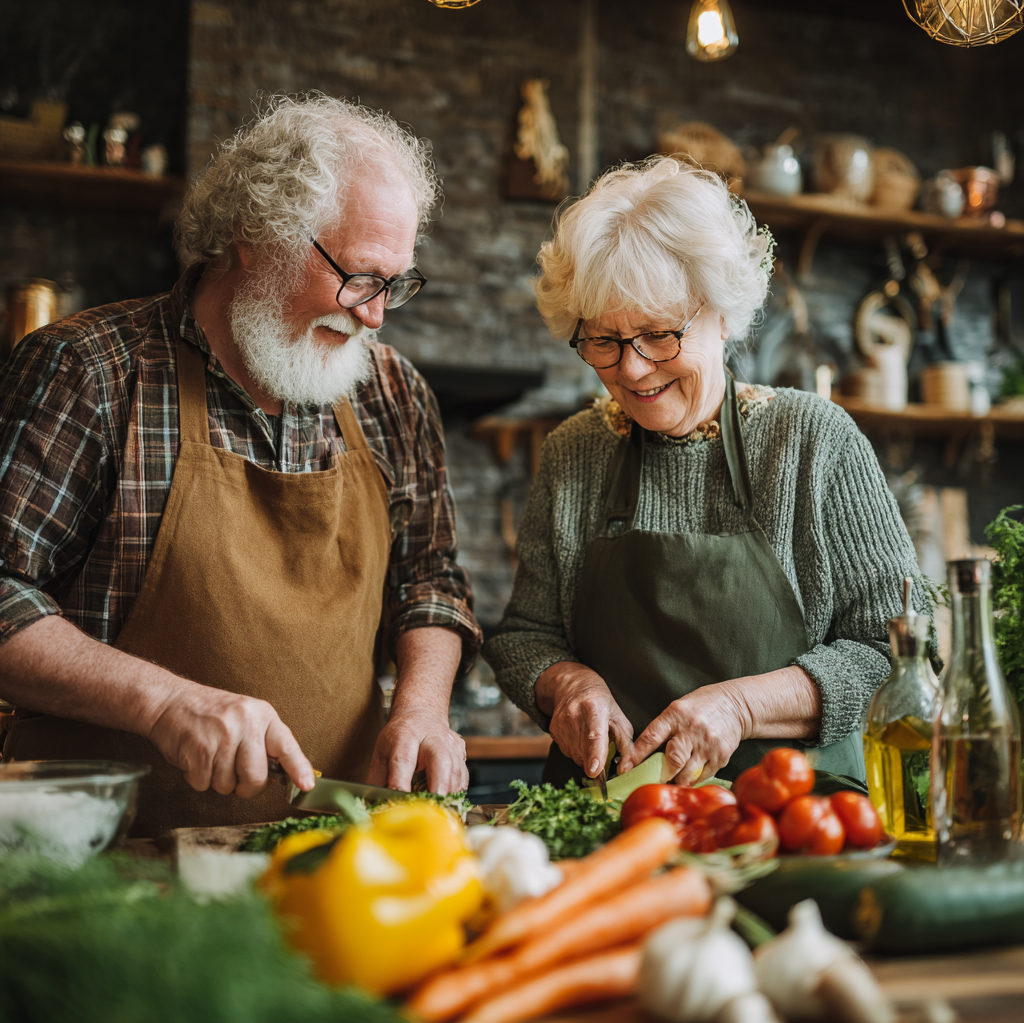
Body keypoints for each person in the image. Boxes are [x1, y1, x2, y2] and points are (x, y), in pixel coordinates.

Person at [0, 95, 481, 834]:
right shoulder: (90, 371)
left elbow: (431, 582)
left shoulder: (393, 392)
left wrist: (420, 708)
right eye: (358, 276)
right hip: (107, 857)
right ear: (254, 237)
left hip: (333, 857)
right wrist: (163, 702)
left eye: (396, 284)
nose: (376, 315)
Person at [485, 157, 929, 789]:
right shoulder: (574, 451)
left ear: (723, 315)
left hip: (793, 817)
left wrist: (740, 707)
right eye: (603, 341)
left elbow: (898, 653)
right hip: (609, 817)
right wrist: (567, 685)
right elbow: (526, 636)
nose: (632, 371)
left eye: (659, 334)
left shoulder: (814, 442)